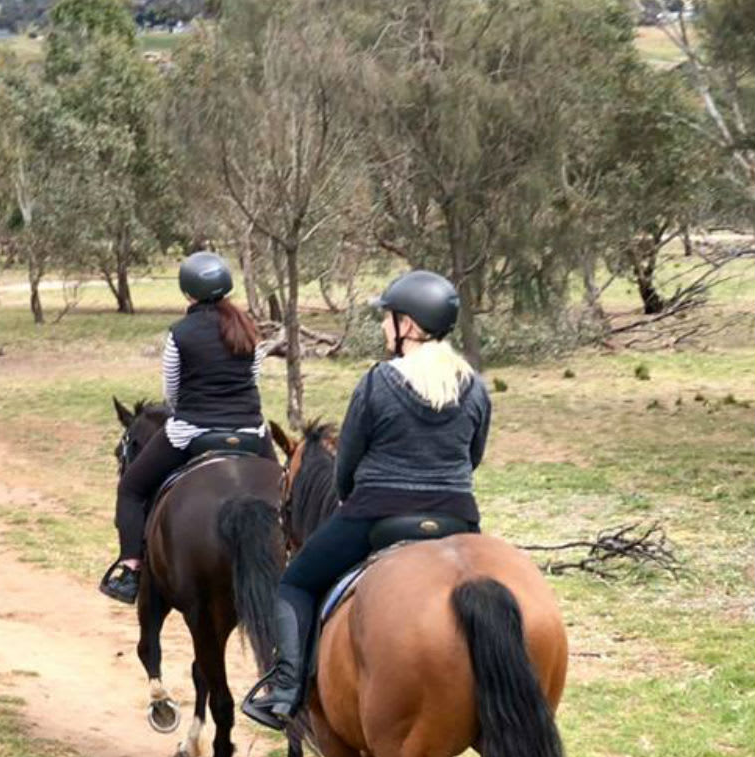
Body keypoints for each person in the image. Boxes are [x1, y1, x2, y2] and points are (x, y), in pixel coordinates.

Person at [241, 269, 492, 730]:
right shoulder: (474, 385)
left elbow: (347, 465)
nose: (383, 326)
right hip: (458, 518)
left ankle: (287, 688)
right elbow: (473, 456)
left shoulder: (378, 382)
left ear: (409, 326)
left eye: (389, 317)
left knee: (295, 582)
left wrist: (352, 499)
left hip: (378, 514)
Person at [100, 251, 276, 604]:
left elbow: (172, 392)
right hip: (251, 432)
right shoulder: (248, 328)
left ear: (188, 292)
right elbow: (253, 378)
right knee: (285, 488)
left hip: (193, 431)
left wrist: (192, 412)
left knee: (132, 488)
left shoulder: (180, 334)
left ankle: (131, 569)